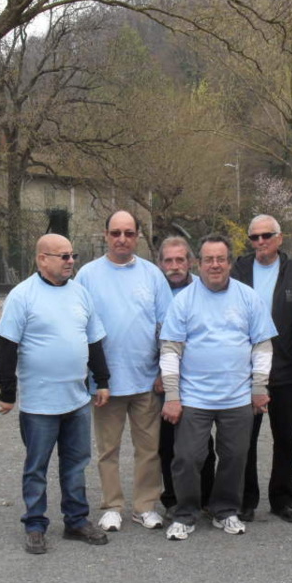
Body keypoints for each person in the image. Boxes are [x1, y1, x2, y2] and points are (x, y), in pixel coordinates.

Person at [0, 234, 111, 554]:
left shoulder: (81, 295)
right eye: (63, 256)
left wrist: (102, 380)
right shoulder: (22, 296)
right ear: (42, 259)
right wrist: (7, 392)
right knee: (37, 466)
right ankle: (35, 523)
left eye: (72, 255)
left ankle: (76, 520)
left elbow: (94, 341)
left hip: (76, 399)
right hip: (39, 403)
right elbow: (7, 345)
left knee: (75, 464)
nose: (70, 261)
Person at [159, 234, 278, 541]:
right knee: (186, 457)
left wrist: (259, 387)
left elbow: (262, 346)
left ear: (229, 262)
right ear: (198, 263)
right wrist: (172, 396)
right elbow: (171, 349)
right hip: (194, 397)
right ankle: (185, 513)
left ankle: (225, 510)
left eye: (221, 259)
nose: (215, 265)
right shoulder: (184, 300)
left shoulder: (248, 297)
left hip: (237, 397)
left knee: (236, 456)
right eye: (208, 259)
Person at [75, 211, 173, 532]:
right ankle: (113, 505)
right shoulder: (87, 276)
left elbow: (165, 327)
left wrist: (163, 372)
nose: (122, 239)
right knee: (108, 450)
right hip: (105, 383)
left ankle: (145, 506)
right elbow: (79, 325)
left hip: (146, 380)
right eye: (116, 232)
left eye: (129, 233)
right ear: (105, 235)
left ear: (137, 237)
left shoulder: (153, 275)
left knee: (149, 449)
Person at [230, 215, 292, 523]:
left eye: (267, 236)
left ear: (280, 238)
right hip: (246, 370)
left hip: (286, 368)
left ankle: (282, 499)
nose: (261, 242)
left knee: (285, 438)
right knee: (245, 439)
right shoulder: (240, 270)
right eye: (255, 237)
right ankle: (246, 500)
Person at [155, 236, 216, 516]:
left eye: (180, 260)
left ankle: (206, 496)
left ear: (190, 262)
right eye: (169, 260)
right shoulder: (156, 290)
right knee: (168, 443)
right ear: (160, 263)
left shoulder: (205, 288)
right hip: (163, 379)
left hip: (198, 380)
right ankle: (173, 499)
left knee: (203, 443)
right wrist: (160, 374)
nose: (175, 266)